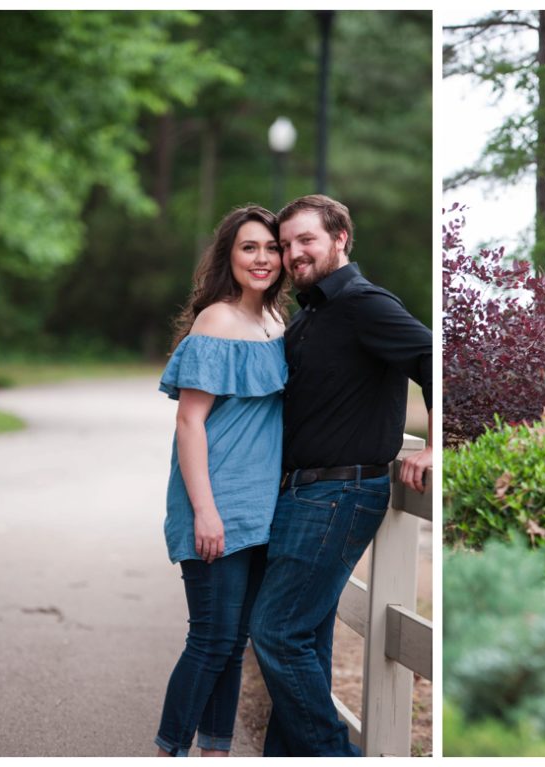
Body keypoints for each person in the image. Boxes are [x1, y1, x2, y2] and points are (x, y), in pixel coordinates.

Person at [248, 194, 433, 756]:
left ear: (340, 239)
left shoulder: (362, 303)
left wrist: (438, 447)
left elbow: (433, 360)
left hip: (338, 493)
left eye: (306, 239)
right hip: (306, 492)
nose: (293, 253)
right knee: (306, 639)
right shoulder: (311, 315)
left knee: (277, 633)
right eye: (286, 245)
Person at [154, 205, 289, 757]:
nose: (262, 259)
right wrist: (206, 511)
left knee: (234, 644)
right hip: (215, 503)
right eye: (249, 248)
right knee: (209, 640)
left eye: (271, 248)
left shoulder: (278, 325)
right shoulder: (218, 320)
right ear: (229, 257)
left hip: (261, 509)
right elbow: (190, 422)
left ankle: (215, 751)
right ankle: (169, 750)